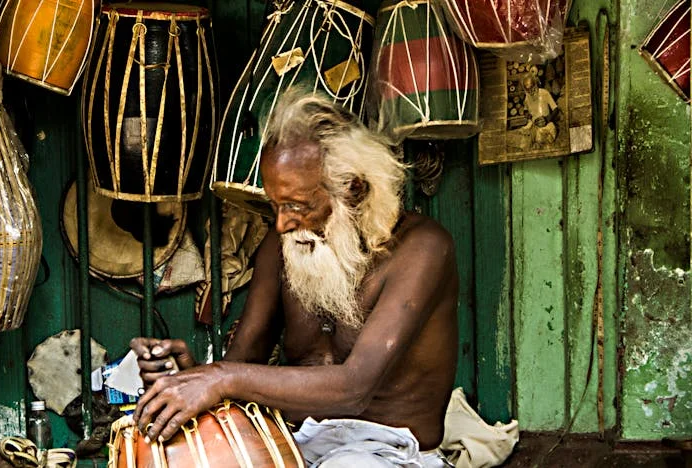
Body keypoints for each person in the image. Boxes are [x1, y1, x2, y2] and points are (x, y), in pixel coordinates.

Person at [130, 92, 460, 467]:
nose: (283, 223)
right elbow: (242, 364)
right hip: (288, 442)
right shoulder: (284, 243)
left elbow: (354, 388)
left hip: (386, 451)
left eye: (296, 206)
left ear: (354, 189)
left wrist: (219, 377)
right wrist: (191, 377)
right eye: (275, 205)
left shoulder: (423, 249)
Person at [521, 73, 560, 148]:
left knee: (541, 137)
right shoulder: (527, 97)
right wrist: (526, 114)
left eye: (532, 89)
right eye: (528, 91)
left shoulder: (544, 93)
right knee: (524, 141)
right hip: (535, 127)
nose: (531, 92)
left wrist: (547, 119)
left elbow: (556, 109)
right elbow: (525, 110)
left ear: (535, 84)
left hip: (547, 126)